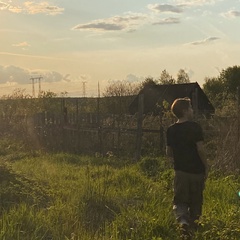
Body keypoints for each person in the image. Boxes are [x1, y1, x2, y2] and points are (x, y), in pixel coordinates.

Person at [166, 97, 209, 239]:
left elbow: (168, 152)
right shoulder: (195, 127)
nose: (192, 110)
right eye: (190, 108)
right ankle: (195, 224)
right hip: (196, 171)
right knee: (196, 199)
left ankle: (183, 222)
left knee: (180, 200)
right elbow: (200, 149)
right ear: (185, 111)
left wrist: (176, 161)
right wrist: (206, 165)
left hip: (180, 172)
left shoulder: (171, 130)